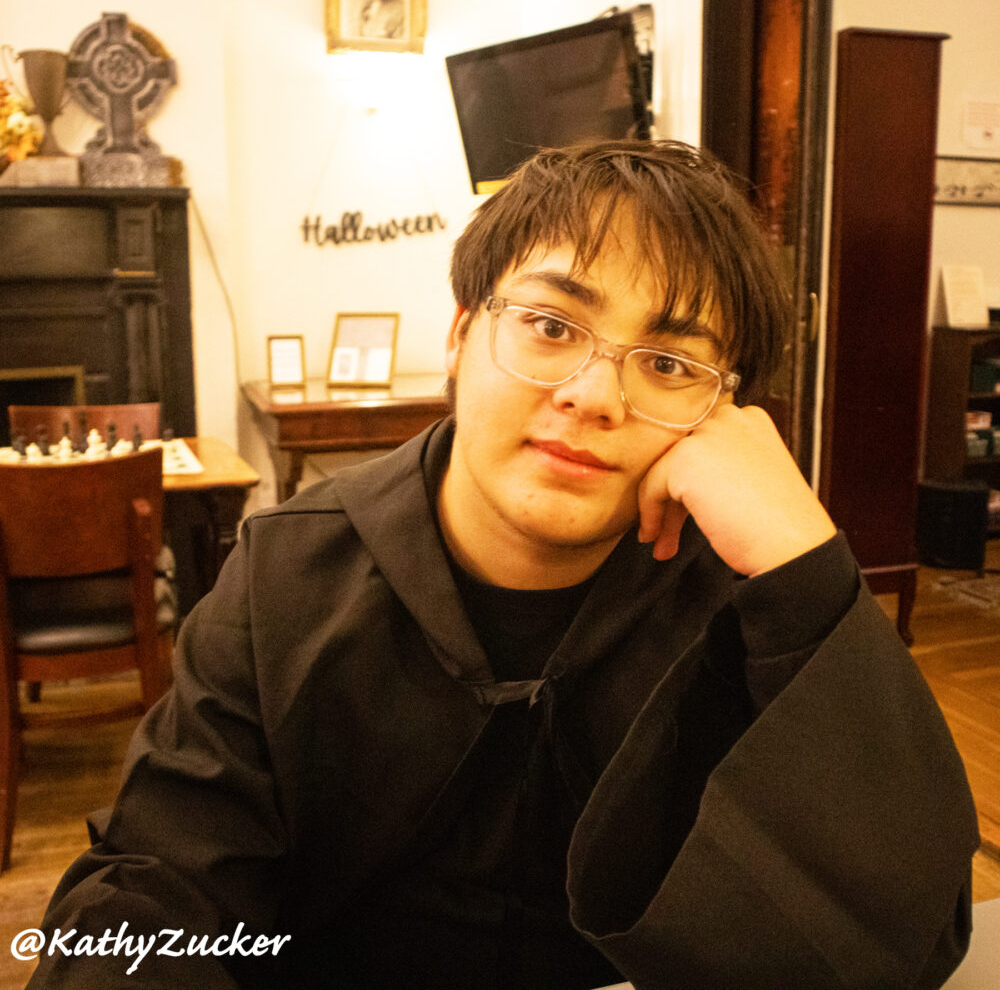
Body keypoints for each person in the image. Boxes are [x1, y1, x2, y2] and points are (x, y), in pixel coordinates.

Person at [29, 140, 978, 989]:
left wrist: (803, 561)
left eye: (670, 364)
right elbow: (154, 893)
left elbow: (909, 934)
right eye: (553, 326)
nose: (595, 395)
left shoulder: (738, 594)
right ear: (460, 333)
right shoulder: (289, 569)